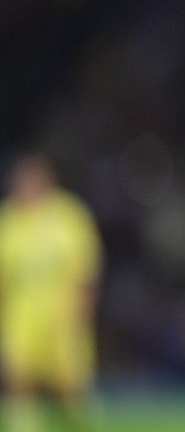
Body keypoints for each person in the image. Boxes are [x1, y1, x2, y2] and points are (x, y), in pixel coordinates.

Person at [0, 153, 103, 432]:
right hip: (21, 315)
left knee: (71, 380)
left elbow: (87, 268)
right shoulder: (8, 221)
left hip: (63, 314)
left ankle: (78, 421)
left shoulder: (70, 216)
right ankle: (24, 425)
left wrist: (84, 309)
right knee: (19, 376)